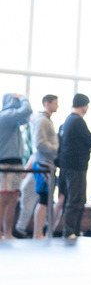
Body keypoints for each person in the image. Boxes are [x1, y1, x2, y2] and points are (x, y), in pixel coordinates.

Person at [57, 94, 91, 241]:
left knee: (74, 198)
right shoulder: (77, 121)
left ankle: (72, 230)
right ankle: (70, 230)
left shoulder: (68, 121)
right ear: (84, 105)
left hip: (67, 165)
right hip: (76, 166)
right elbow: (90, 139)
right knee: (76, 199)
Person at [15, 94, 59, 239]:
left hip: (42, 164)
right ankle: (36, 232)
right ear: (47, 103)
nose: (57, 106)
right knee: (43, 199)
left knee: (41, 198)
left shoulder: (45, 121)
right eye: (55, 103)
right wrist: (56, 148)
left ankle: (29, 230)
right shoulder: (41, 121)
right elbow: (40, 144)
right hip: (42, 165)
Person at [0, 93, 32, 239]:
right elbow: (26, 110)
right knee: (4, 199)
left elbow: (26, 118)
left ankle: (7, 232)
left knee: (13, 200)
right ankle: (1, 232)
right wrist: (22, 98)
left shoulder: (13, 120)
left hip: (16, 162)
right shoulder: (6, 116)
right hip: (6, 163)